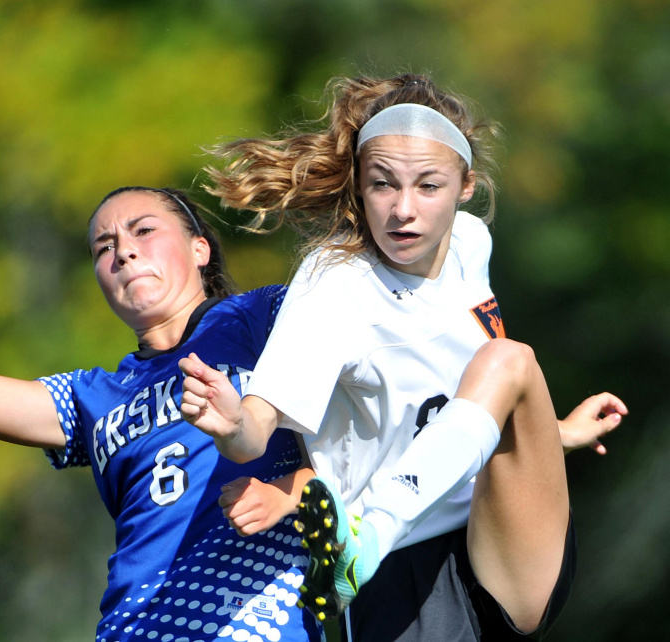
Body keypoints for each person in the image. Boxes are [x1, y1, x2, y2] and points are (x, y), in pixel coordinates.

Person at [178, 73, 628, 641]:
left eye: (429, 186)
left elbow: (462, 402)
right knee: (508, 362)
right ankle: (366, 543)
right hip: (402, 572)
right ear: (359, 186)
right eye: (383, 184)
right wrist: (232, 423)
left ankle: (365, 537)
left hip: (503, 537)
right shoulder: (333, 284)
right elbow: (252, 433)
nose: (403, 210)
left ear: (466, 187)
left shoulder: (470, 241)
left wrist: (549, 433)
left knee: (509, 363)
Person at [0, 185, 324, 641]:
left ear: (199, 247)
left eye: (143, 230)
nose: (123, 252)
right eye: (104, 247)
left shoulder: (266, 317)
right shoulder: (94, 395)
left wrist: (289, 490)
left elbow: (373, 445)